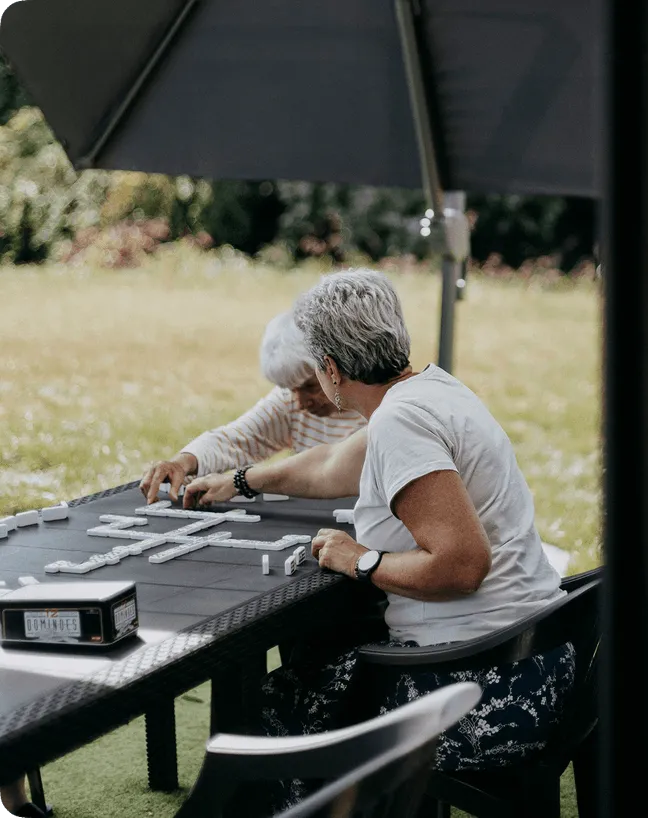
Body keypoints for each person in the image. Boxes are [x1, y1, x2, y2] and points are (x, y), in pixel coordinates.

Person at [184, 269, 576, 812]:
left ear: (330, 368)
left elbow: (463, 566)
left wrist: (361, 560)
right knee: (321, 657)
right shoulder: (430, 389)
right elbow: (331, 464)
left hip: (486, 690)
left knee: (271, 711)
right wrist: (242, 480)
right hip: (538, 657)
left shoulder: (400, 423)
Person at [139, 311, 365, 504]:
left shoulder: (377, 409)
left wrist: (241, 481)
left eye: (309, 386)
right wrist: (182, 462)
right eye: (291, 389)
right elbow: (236, 440)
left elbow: (331, 467)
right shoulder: (291, 402)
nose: (300, 402)